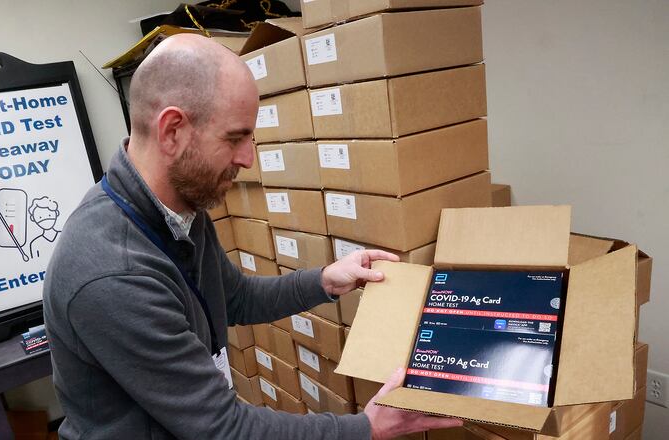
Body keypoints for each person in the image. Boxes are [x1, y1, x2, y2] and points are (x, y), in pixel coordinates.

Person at [43, 34, 461, 439]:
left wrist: (324, 281)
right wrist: (365, 429)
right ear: (173, 130)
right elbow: (224, 429)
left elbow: (236, 297)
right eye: (235, 137)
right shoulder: (113, 274)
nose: (248, 158)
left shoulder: (182, 202)